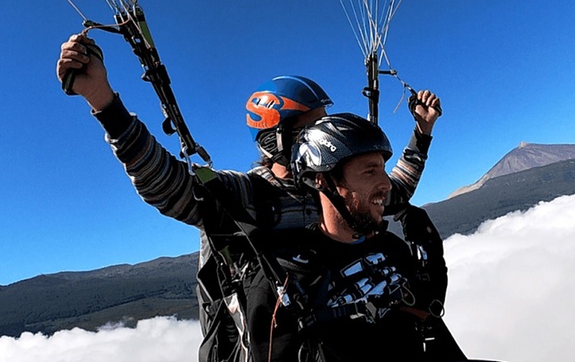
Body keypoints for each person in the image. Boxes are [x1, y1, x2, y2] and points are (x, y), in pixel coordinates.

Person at [243, 113, 575, 362]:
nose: (385, 184)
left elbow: (427, 305)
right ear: (323, 181)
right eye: (369, 172)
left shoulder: (388, 246)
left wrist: (431, 252)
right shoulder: (285, 273)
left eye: (383, 169)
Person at [55, 33, 442, 267]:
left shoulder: (330, 186)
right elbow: (166, 185)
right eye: (311, 128)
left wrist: (421, 132)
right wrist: (105, 103)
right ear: (276, 139)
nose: (325, 137)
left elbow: (393, 194)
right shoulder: (250, 197)